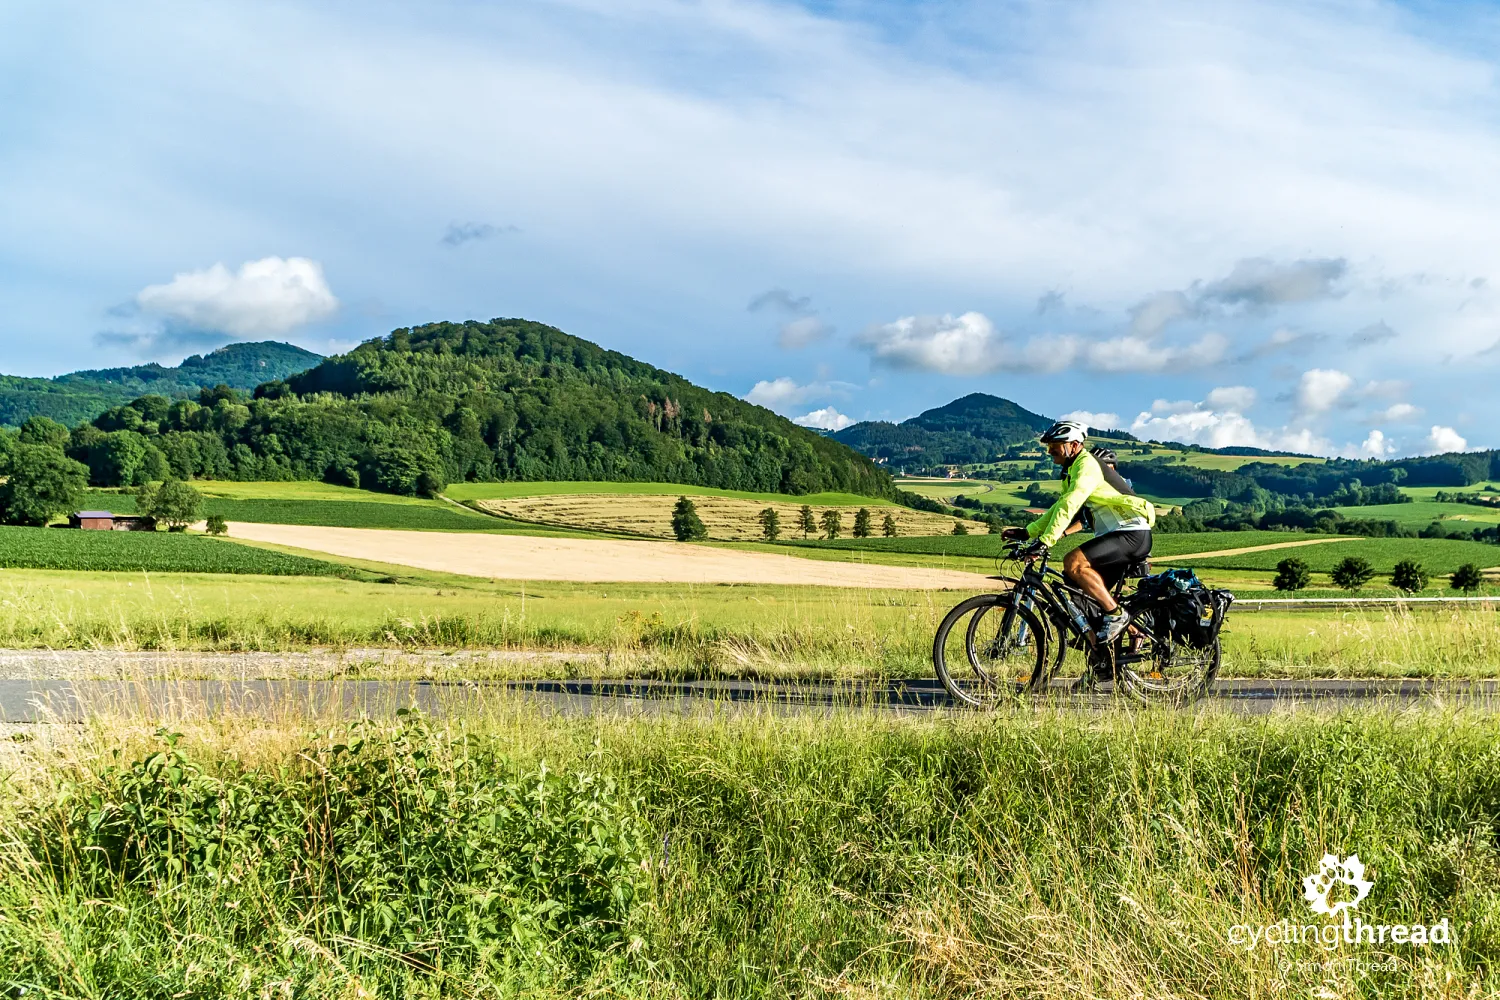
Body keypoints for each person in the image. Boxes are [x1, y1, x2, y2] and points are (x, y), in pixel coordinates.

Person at [1002, 420, 1155, 642]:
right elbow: (1059, 506)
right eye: (1049, 446)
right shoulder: (1072, 469)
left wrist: (1046, 541)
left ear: (1074, 445)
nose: (1050, 450)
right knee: (1079, 594)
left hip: (1131, 532)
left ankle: (1118, 616)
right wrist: (1028, 532)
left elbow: (1071, 503)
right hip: (1116, 535)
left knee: (1073, 562)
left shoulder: (1087, 464)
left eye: (1056, 444)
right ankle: (1107, 651)